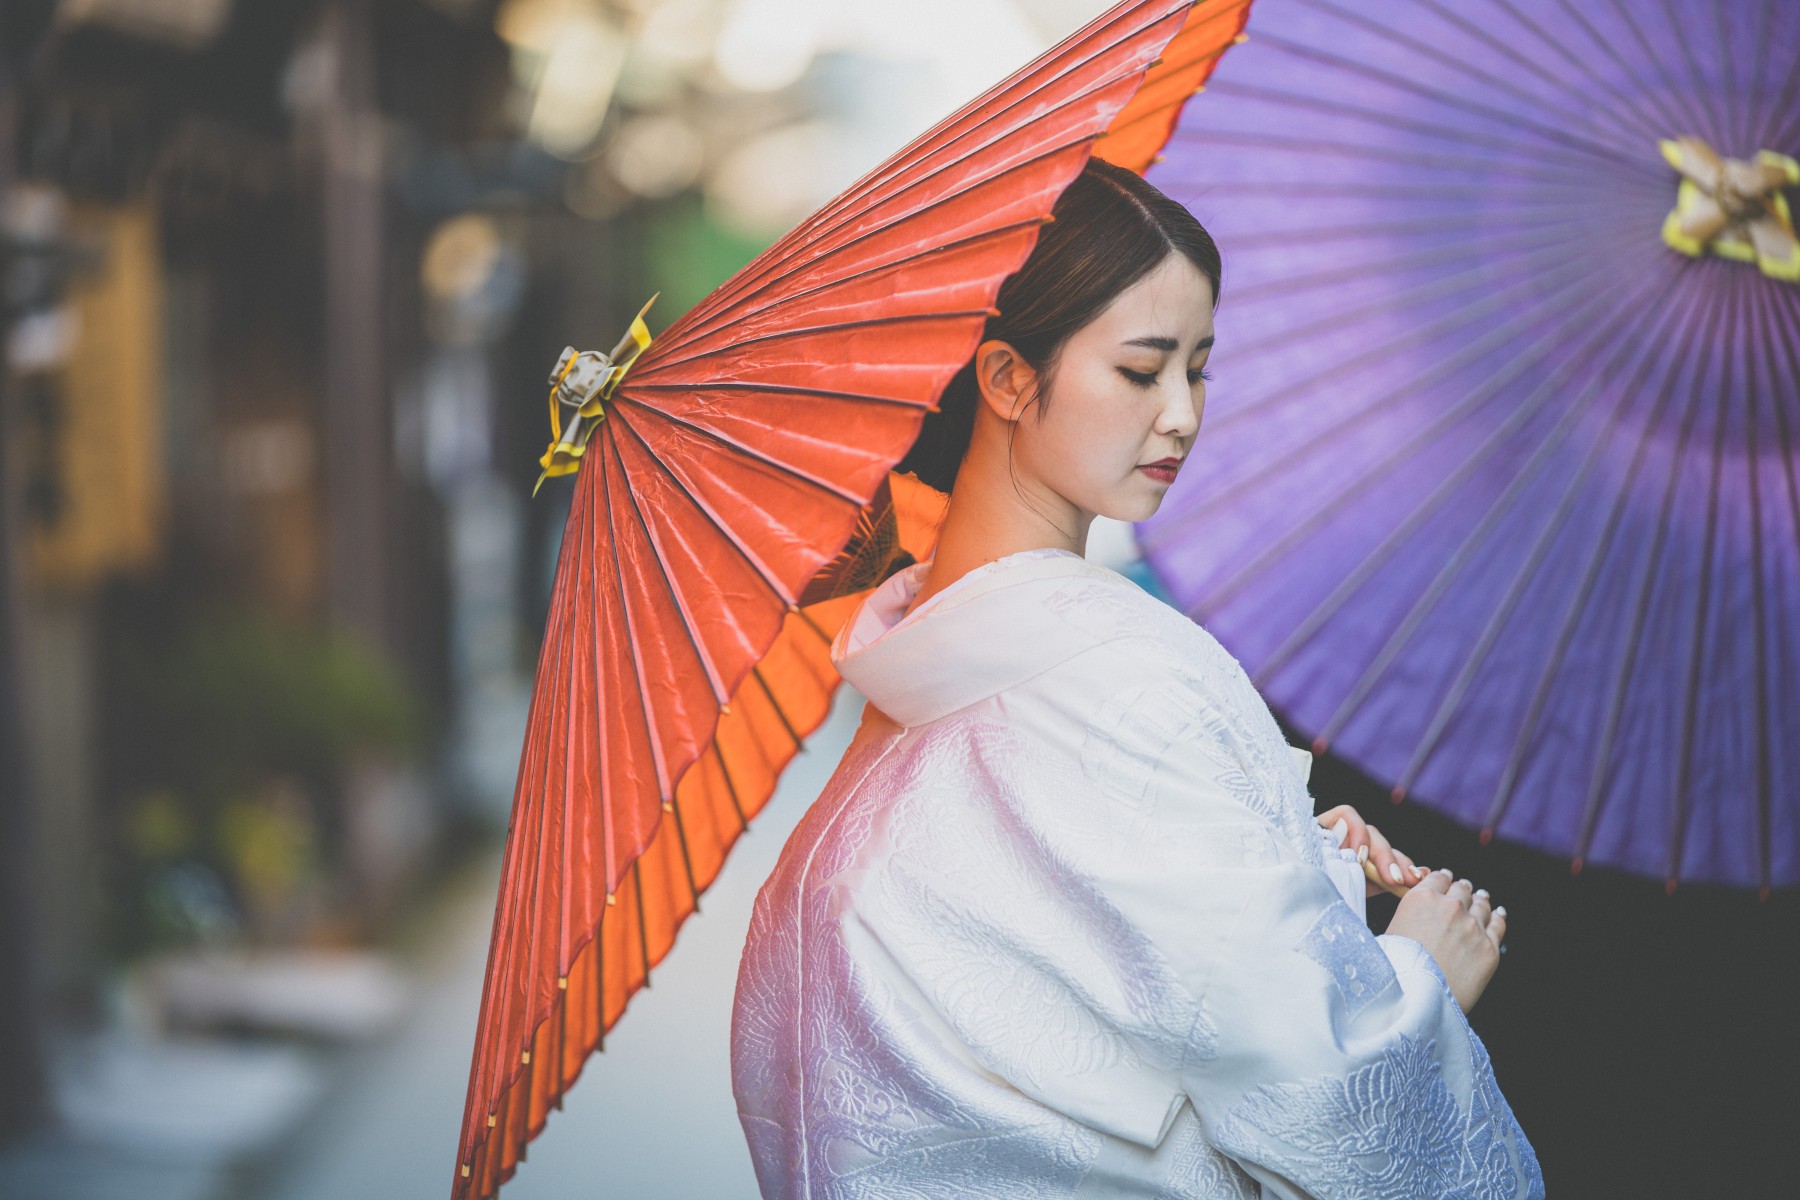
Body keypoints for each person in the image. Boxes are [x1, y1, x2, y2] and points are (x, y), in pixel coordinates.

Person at [730, 156, 1541, 1199]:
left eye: (1198, 368)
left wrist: (1297, 866)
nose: (1183, 415)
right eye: (1141, 368)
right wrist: (1416, 976)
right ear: (1009, 379)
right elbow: (1323, 1094)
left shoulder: (917, 669)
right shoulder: (1128, 674)